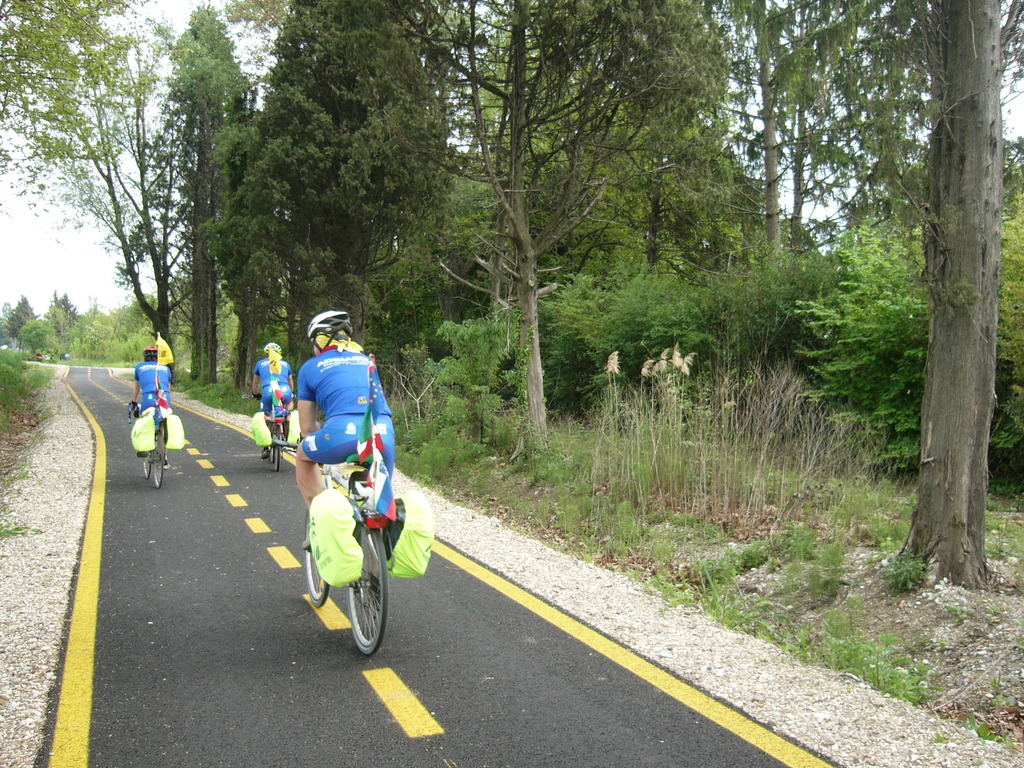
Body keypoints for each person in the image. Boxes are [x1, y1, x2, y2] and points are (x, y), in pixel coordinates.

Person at [294, 310, 396, 513]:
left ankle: (319, 517)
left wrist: (318, 431)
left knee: (302, 454)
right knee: (379, 505)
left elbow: (306, 428)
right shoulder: (367, 361)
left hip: (341, 435)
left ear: (319, 341)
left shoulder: (310, 367)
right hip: (382, 433)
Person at [131, 345, 173, 467]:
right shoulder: (166, 368)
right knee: (163, 425)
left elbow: (137, 388)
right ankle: (165, 458)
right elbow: (168, 389)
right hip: (164, 398)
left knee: (144, 417)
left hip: (148, 399)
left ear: (145, 357)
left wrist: (133, 402)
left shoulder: (139, 367)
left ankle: (143, 447)